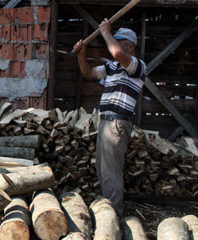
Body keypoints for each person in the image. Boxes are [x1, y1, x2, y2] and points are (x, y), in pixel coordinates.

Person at [73, 18, 146, 217]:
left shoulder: (137, 66)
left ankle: (114, 216)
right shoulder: (112, 67)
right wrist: (82, 54)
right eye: (114, 40)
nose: (113, 45)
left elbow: (116, 53)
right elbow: (88, 72)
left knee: (111, 172)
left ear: (130, 47)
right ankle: (109, 213)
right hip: (106, 122)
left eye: (119, 42)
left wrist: (105, 31)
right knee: (104, 170)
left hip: (117, 123)